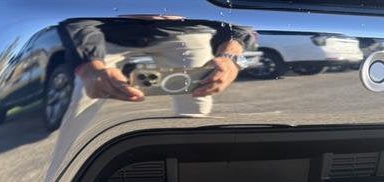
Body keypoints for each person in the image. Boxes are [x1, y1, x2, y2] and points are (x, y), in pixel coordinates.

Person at [58, 15, 255, 115]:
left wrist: (231, 57)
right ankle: (58, 175)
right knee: (82, 99)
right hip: (105, 32)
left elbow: (237, 12)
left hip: (186, 30)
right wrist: (89, 66)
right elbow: (73, 11)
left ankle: (194, 157)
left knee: (199, 100)